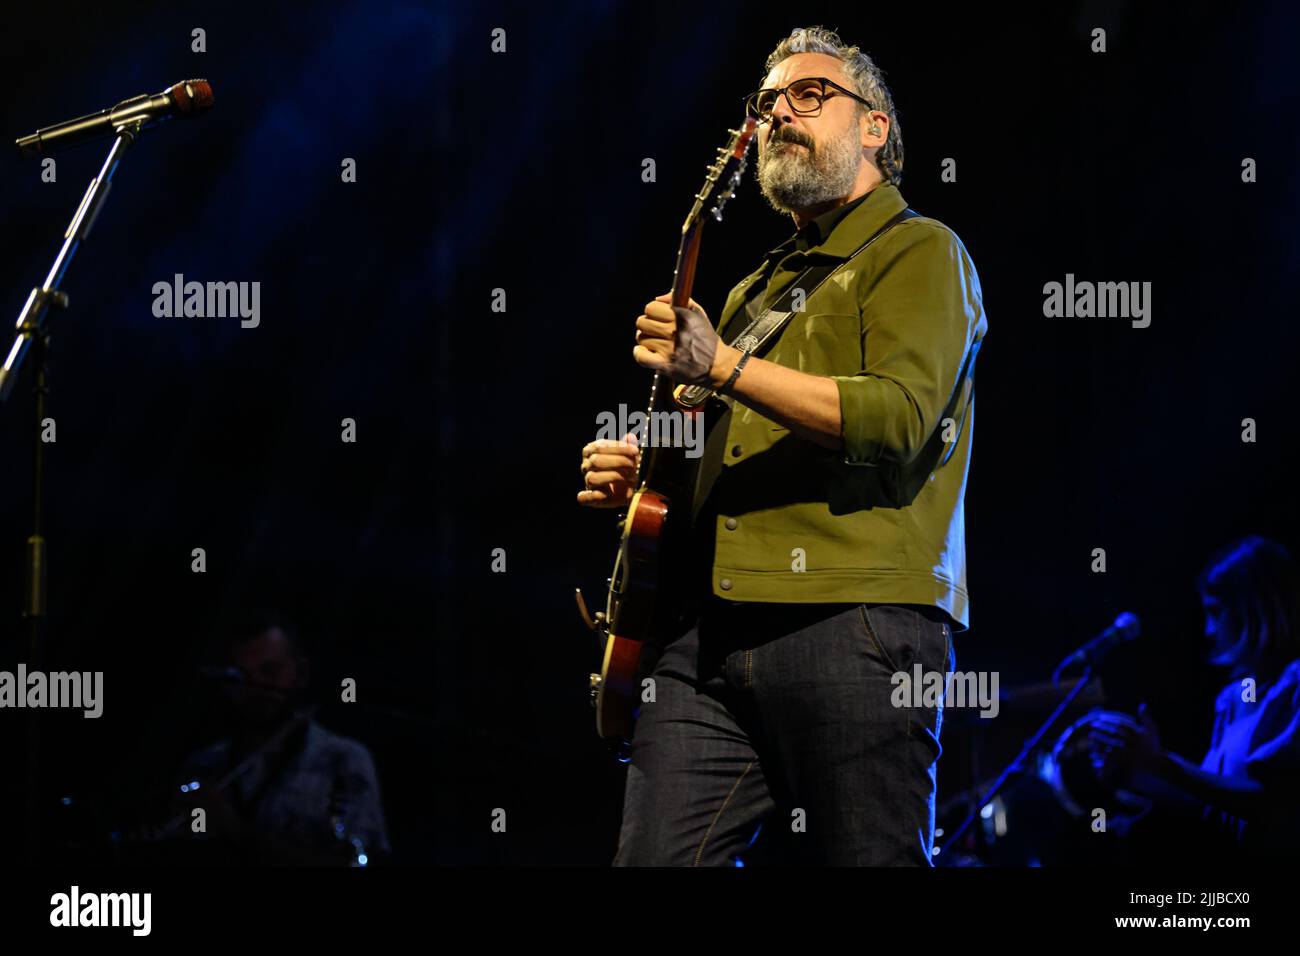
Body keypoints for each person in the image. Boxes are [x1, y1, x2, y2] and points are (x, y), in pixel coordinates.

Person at [577, 26, 988, 865]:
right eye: (766, 104)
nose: (778, 115)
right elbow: (727, 438)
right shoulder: (754, 288)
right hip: (706, 636)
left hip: (852, 620)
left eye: (809, 94)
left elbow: (900, 418)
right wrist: (651, 471)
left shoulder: (920, 249)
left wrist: (722, 363)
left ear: (874, 126)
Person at [1086, 536, 1300, 859]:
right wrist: (1135, 776)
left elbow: (1270, 802)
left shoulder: (1295, 683)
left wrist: (1161, 763)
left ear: (1256, 609)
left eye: (1215, 613)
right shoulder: (1232, 699)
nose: (1208, 631)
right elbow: (1214, 804)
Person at [173, 610, 391, 865]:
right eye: (241, 677)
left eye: (270, 671)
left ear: (301, 673)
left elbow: (359, 861)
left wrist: (235, 829)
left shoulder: (343, 760)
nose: (255, 687)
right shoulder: (203, 766)